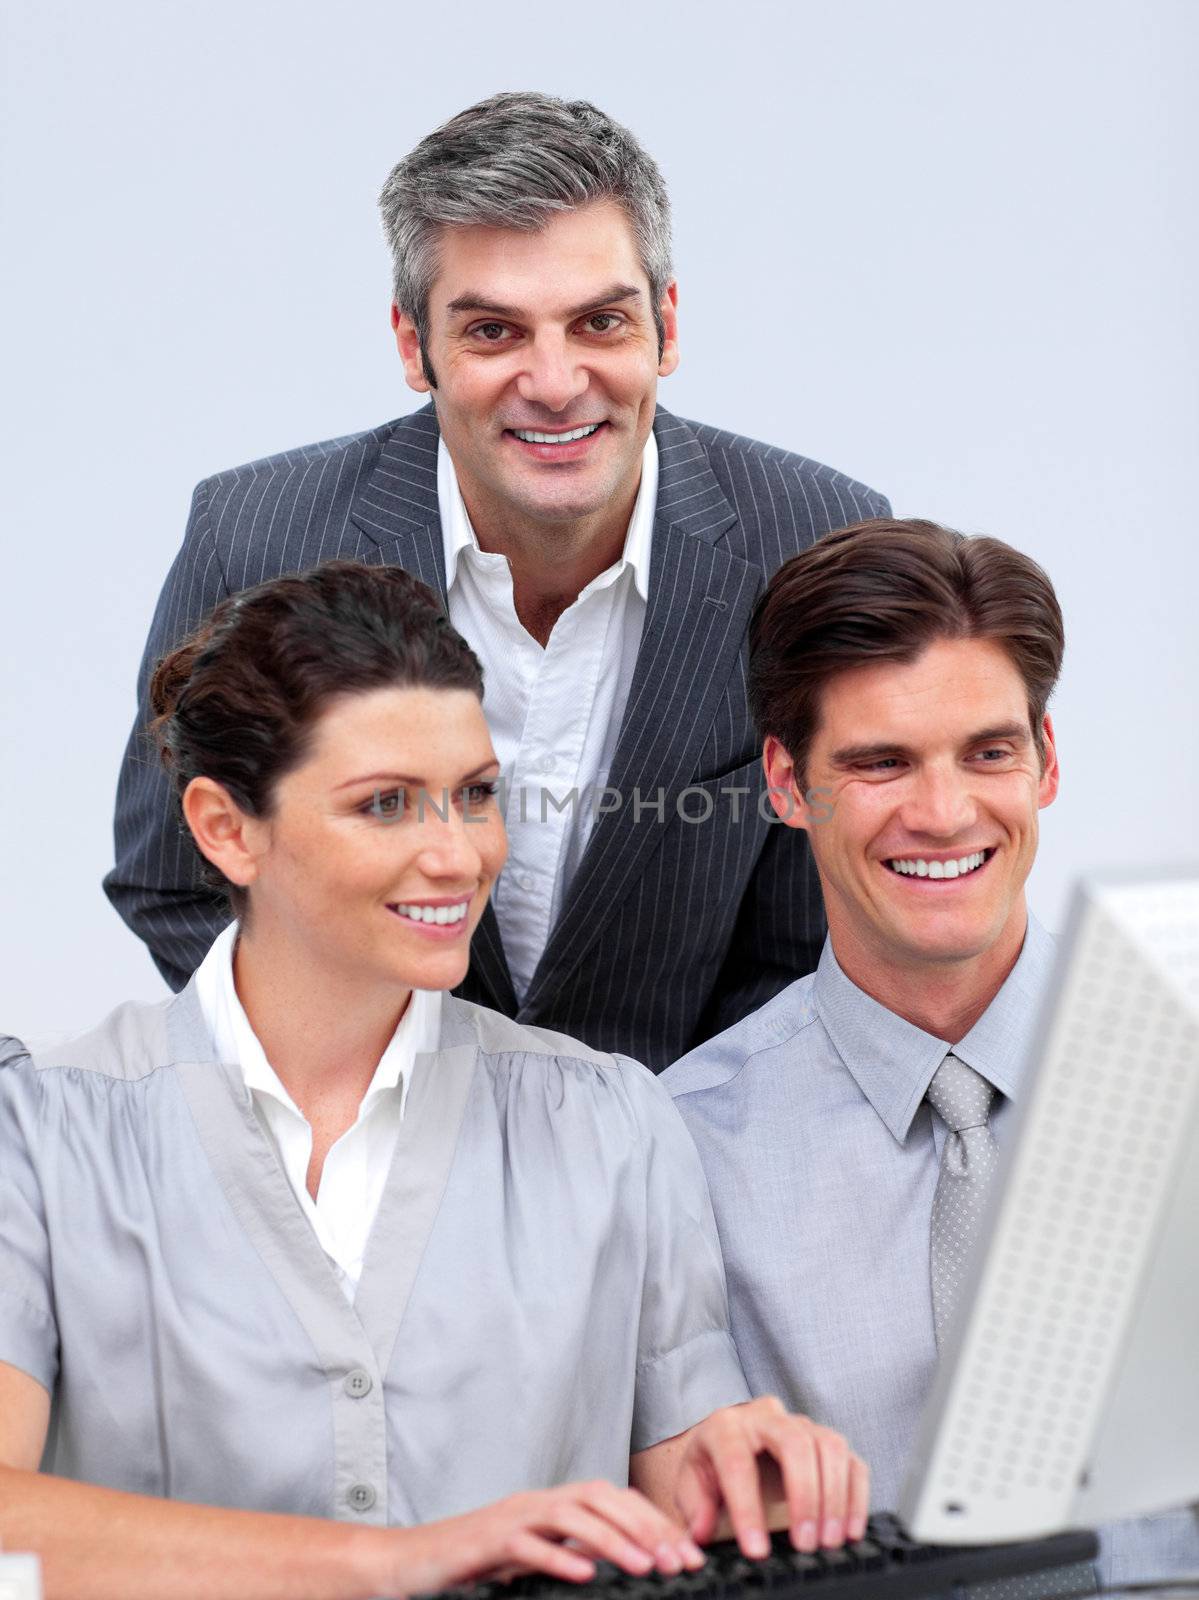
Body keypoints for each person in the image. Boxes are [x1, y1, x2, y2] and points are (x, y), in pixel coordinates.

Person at [1, 562, 869, 1600]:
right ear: (225, 828)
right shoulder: (42, 1131)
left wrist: (750, 1474)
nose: (456, 856)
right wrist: (393, 1562)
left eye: (475, 796)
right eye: (386, 806)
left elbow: (683, 1484)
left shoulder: (610, 1122)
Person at [103, 90, 889, 1070]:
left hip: (695, 1164)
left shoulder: (813, 543)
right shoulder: (255, 538)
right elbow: (175, 886)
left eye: (599, 321)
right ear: (411, 345)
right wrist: (377, 1102)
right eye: (492, 332)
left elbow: (817, 935)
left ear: (666, 325)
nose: (555, 381)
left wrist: (642, 1151)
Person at [662, 518, 1199, 1587]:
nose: (943, 812)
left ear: (1044, 761)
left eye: (986, 751)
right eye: (878, 762)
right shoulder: (680, 1149)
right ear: (783, 783)